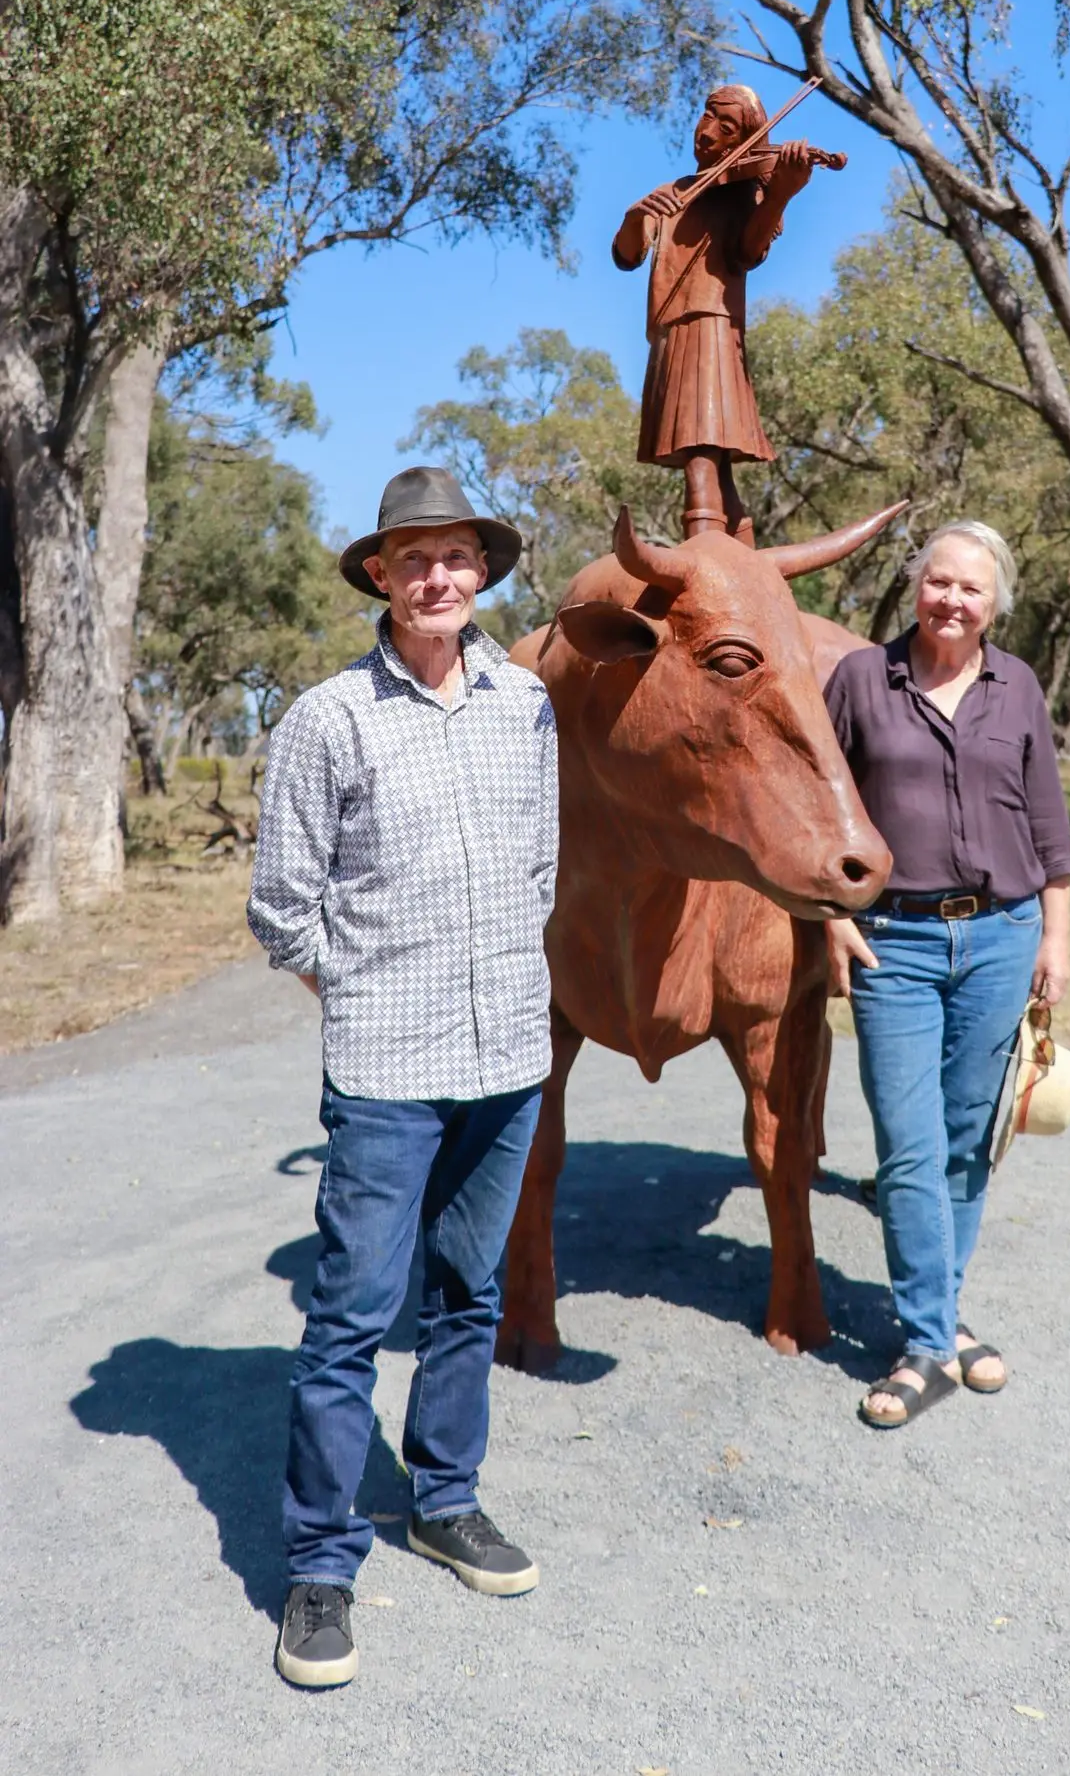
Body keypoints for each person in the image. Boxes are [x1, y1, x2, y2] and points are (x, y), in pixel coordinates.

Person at [247, 465, 558, 1688]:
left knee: (468, 1297)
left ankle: (443, 1501)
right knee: (349, 1321)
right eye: (413, 557)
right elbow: (283, 908)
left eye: (458, 557)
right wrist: (366, 993)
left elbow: (540, 868)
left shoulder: (525, 703)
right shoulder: (328, 717)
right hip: (385, 1068)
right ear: (379, 573)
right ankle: (319, 1568)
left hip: (508, 1059)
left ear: (483, 572)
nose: (438, 576)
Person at [823, 520, 1070, 1429]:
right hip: (894, 940)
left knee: (970, 1138)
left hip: (1003, 935)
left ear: (995, 601)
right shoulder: (861, 680)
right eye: (939, 583)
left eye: (971, 589)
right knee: (908, 1143)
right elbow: (819, 808)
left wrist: (1055, 935)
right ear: (915, 585)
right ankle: (932, 1343)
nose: (952, 601)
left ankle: (937, 1321)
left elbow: (1047, 821)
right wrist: (828, 919)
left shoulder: (1017, 687)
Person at [612, 82, 821, 537]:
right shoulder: (673, 194)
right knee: (716, 466)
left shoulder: (745, 193)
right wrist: (635, 215)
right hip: (670, 331)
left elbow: (748, 252)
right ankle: (742, 564)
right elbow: (627, 256)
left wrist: (782, 193)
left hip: (712, 328)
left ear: (741, 143)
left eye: (725, 127)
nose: (708, 132)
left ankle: (708, 562)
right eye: (708, 116)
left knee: (701, 452)